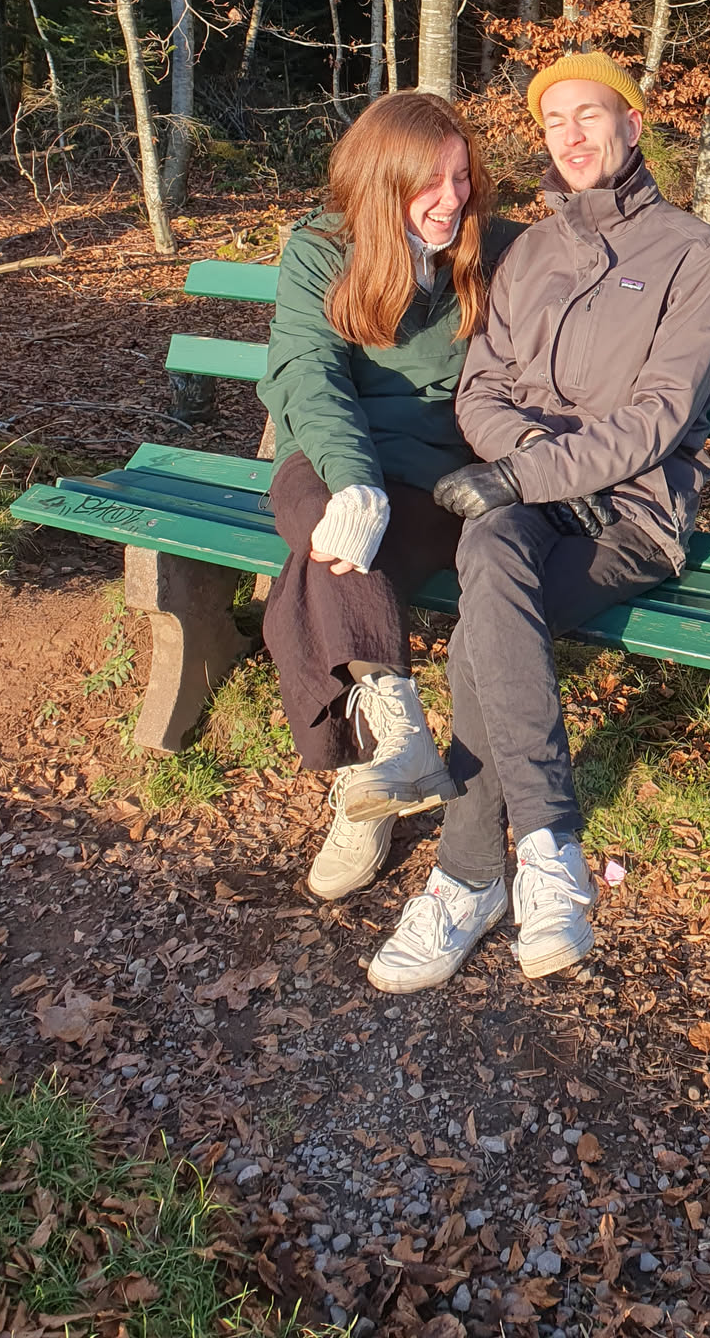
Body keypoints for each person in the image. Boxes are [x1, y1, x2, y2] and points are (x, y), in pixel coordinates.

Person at [366, 55, 710, 993]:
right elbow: (480, 390)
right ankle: (548, 851)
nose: (570, 137)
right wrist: (527, 463)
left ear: (633, 125)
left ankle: (469, 876)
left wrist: (524, 472)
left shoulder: (696, 254)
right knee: (493, 553)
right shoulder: (528, 253)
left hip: (631, 515)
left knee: (479, 636)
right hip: (527, 504)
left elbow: (658, 418)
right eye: (554, 122)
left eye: (590, 115)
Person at [258, 92, 521, 902]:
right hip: (333, 456)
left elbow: (608, 279)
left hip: (435, 473)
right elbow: (309, 374)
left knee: (311, 571)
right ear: (380, 182)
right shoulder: (321, 249)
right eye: (427, 182)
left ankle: (371, 769)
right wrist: (354, 481)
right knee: (324, 519)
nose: (451, 198)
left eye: (460, 176)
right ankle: (392, 736)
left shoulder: (496, 249)